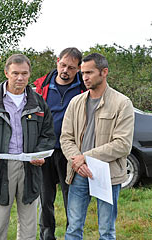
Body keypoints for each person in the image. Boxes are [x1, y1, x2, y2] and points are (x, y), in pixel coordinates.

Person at [0, 54, 56, 240]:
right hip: (0, 168)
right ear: (6, 73)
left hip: (30, 169)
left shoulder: (39, 103)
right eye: (15, 73)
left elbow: (48, 135)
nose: (20, 78)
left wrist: (40, 153)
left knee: (29, 226)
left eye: (24, 73)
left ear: (30, 74)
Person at [60, 53, 134, 239]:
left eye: (90, 72)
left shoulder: (122, 103)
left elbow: (122, 144)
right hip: (79, 172)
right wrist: (78, 162)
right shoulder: (75, 102)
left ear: (104, 72)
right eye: (83, 73)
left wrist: (87, 156)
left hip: (107, 174)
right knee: (73, 229)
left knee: (106, 231)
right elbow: (66, 138)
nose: (84, 77)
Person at [34, 47, 86, 240]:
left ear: (79, 68)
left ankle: (71, 235)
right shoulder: (42, 87)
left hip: (71, 152)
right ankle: (47, 236)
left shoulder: (83, 88)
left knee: (71, 199)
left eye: (71, 68)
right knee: (45, 198)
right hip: (45, 151)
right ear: (57, 61)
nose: (65, 70)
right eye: (63, 65)